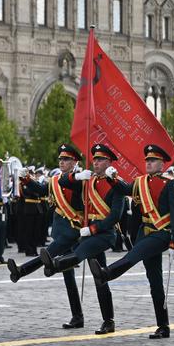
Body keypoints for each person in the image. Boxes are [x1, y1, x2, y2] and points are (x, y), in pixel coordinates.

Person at [89, 144, 174, 339]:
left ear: (162, 164)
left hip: (162, 232)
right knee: (155, 281)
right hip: (145, 231)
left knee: (135, 253)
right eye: (147, 161)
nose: (149, 164)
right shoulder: (140, 182)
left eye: (153, 161)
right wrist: (112, 177)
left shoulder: (170, 183)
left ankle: (108, 273)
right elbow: (125, 189)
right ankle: (163, 326)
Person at [39, 143, 121, 335]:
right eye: (95, 159)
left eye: (101, 159)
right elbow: (63, 182)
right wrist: (77, 175)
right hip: (87, 231)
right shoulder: (88, 179)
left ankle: (108, 320)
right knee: (99, 274)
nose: (96, 162)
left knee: (95, 272)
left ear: (109, 162)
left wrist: (93, 228)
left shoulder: (115, 183)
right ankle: (101, 319)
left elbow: (115, 216)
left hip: (100, 233)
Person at [8, 144, 87, 329]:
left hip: (73, 229)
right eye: (60, 159)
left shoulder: (81, 179)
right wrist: (26, 179)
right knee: (68, 275)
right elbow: (42, 190)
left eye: (66, 159)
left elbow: (77, 191)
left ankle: (21, 271)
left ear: (74, 162)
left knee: (49, 254)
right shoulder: (56, 179)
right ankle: (77, 316)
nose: (61, 162)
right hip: (60, 229)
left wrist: (80, 177)